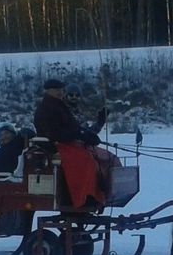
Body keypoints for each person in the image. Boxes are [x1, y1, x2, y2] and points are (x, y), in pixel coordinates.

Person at [34, 79, 118, 208]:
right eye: (58, 90)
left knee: (104, 157)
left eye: (62, 90)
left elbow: (77, 128)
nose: (60, 93)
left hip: (70, 143)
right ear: (49, 91)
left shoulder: (60, 106)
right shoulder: (48, 108)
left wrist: (91, 130)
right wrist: (81, 134)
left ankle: (102, 192)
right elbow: (55, 133)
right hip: (56, 145)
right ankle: (84, 196)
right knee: (86, 160)